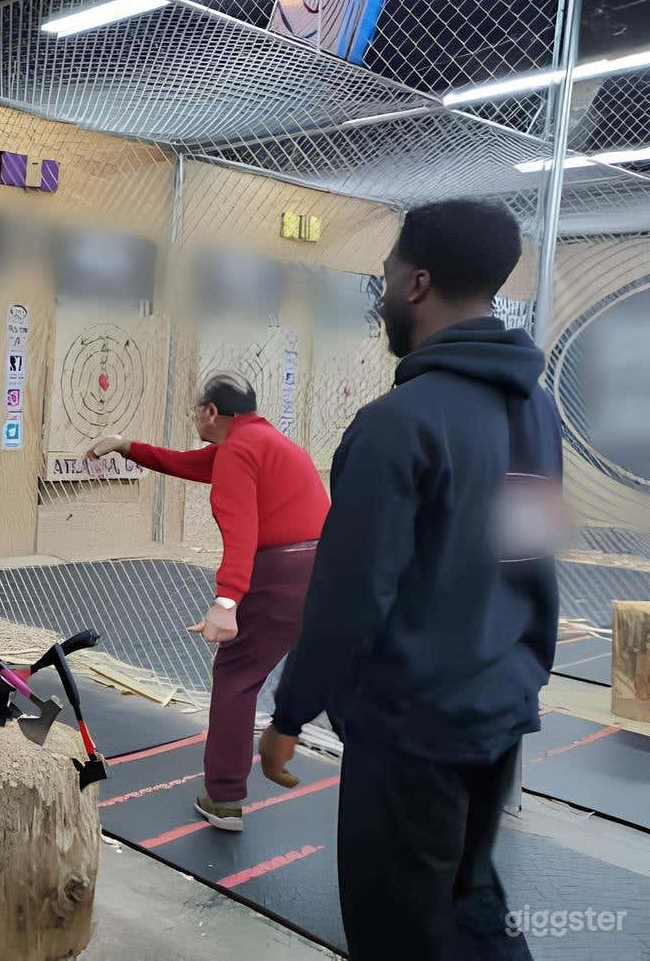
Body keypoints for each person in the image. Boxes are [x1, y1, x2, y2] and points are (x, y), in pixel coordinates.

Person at [260, 199, 562, 960]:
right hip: (496, 714)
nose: (385, 286)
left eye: (388, 271)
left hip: (411, 735)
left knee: (399, 930)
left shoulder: (398, 423)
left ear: (418, 283)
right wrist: (521, 675)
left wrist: (291, 713)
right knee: (471, 907)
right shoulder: (536, 412)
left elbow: (351, 597)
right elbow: (533, 562)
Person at [85, 372, 328, 831]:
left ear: (211, 412)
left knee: (235, 674)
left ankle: (224, 799)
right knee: (319, 666)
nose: (194, 415)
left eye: (196, 408)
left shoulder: (237, 451)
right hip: (323, 567)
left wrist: (227, 602)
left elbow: (241, 530)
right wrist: (124, 446)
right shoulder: (261, 441)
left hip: (282, 572)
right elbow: (191, 463)